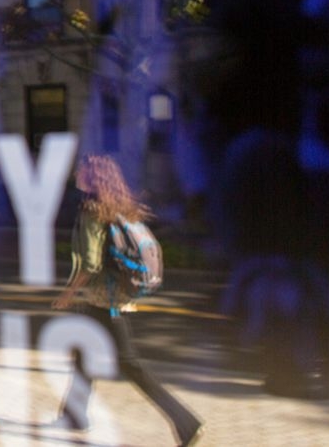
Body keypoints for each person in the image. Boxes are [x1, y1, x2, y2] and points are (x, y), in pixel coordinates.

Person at [52, 154, 204, 446]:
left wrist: (67, 294)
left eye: (82, 170)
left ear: (93, 176)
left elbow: (90, 264)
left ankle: (186, 421)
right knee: (83, 353)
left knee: (130, 364)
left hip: (103, 299)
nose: (76, 174)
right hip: (113, 296)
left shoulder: (91, 210)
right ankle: (74, 415)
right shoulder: (118, 206)